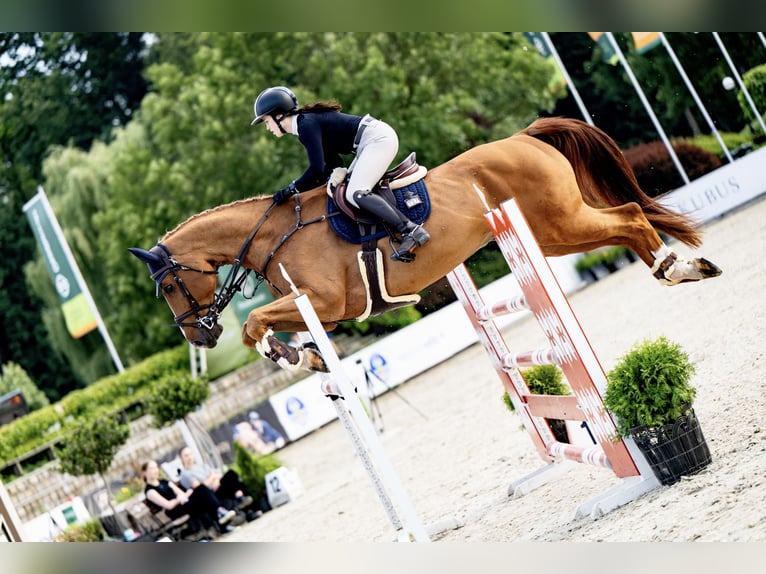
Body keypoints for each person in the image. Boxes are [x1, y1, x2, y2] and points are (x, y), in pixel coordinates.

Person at [251, 85, 430, 261]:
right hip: (367, 143)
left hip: (377, 139)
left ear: (279, 115)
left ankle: (410, 229)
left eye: (267, 121)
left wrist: (290, 189)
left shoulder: (306, 125)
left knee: (356, 193)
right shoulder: (305, 125)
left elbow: (316, 169)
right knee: (346, 189)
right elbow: (331, 164)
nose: (268, 128)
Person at [141, 459, 236, 537]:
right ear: (145, 472)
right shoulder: (149, 491)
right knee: (202, 494)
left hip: (184, 503)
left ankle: (220, 515)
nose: (155, 470)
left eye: (156, 467)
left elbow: (181, 493)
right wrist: (179, 499)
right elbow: (168, 505)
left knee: (201, 489)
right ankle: (220, 517)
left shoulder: (164, 481)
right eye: (152, 468)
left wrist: (185, 495)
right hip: (176, 511)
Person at [177, 446, 261, 520]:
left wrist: (215, 481)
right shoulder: (185, 474)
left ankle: (241, 499)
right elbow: (199, 487)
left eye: (190, 454)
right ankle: (232, 507)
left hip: (217, 487)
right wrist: (212, 478)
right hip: (208, 496)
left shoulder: (201, 466)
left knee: (230, 474)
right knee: (203, 489)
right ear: (181, 458)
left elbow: (217, 475)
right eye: (186, 455)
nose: (189, 457)